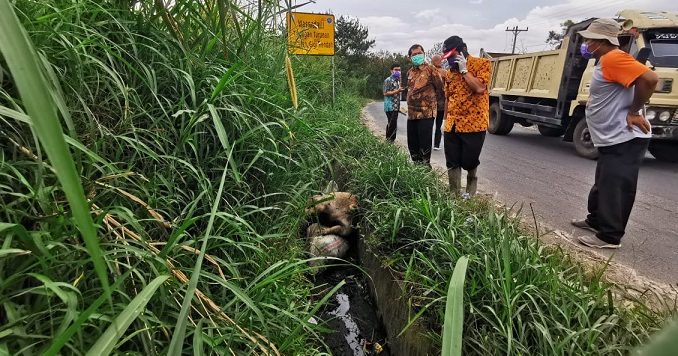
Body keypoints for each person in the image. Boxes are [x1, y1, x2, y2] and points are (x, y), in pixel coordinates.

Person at [571, 18, 658, 249]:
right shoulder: (605, 60)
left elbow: (650, 79)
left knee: (615, 186)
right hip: (612, 138)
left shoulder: (614, 58)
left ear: (601, 41)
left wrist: (635, 111)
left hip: (625, 137)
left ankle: (609, 236)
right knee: (604, 182)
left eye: (590, 40)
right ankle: (596, 220)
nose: (587, 44)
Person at [440, 36, 491, 197]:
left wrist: (465, 71)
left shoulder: (482, 64)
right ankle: (454, 195)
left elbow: (480, 88)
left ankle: (469, 196)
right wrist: (445, 121)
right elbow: (449, 97)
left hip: (474, 124)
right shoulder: (449, 73)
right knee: (452, 162)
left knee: (470, 162)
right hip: (452, 124)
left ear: (461, 51)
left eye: (451, 56)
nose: (450, 61)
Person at [406, 44, 444, 166]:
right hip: (412, 114)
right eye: (414, 54)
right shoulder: (410, 72)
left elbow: (440, 89)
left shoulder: (431, 70)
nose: (417, 56)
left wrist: (431, 103)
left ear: (424, 54)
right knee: (412, 145)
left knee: (424, 146)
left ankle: (425, 171)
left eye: (419, 53)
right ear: (409, 57)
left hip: (426, 114)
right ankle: (416, 169)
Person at [383, 63, 403, 142]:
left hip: (395, 106)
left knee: (392, 123)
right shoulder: (388, 80)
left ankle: (390, 140)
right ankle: (389, 140)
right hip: (390, 106)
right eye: (396, 70)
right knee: (392, 124)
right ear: (391, 71)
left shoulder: (397, 80)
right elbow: (385, 93)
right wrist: (397, 91)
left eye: (399, 70)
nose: (398, 71)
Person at [431, 54, 447, 150]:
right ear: (439, 61)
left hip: (431, 104)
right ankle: (436, 145)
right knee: (438, 125)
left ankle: (427, 143)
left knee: (429, 125)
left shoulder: (429, 72)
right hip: (441, 105)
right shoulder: (445, 73)